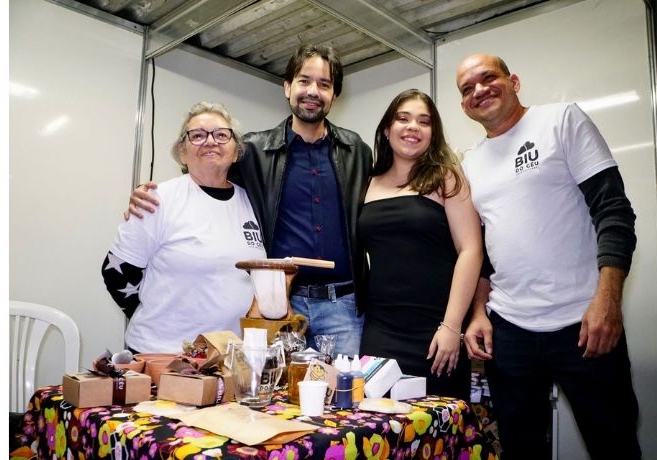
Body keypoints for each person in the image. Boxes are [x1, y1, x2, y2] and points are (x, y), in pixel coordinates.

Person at [126, 44, 372, 357]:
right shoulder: (254, 151)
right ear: (287, 87)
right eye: (304, 81)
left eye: (324, 84)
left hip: (344, 307)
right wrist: (149, 197)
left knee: (343, 400)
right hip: (277, 304)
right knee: (276, 398)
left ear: (334, 94)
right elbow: (207, 175)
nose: (313, 91)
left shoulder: (358, 151)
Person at [456, 53, 641, 459]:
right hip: (511, 332)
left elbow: (613, 211)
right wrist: (478, 313)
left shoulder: (561, 120)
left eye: (488, 78)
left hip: (584, 323)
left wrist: (608, 301)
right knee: (522, 449)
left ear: (514, 81)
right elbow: (483, 251)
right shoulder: (471, 162)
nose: (478, 90)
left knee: (614, 445)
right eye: (467, 88)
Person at [102, 102, 265, 353]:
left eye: (222, 135)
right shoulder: (158, 200)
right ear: (182, 152)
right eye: (198, 135)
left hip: (229, 356)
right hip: (163, 354)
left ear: (236, 152)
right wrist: (157, 317)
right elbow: (116, 273)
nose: (211, 141)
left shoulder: (253, 202)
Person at [358, 89, 482, 401]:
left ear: (433, 133)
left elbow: (471, 250)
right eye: (403, 118)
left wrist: (452, 326)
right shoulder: (367, 183)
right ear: (387, 129)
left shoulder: (446, 177)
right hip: (380, 330)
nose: (413, 126)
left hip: (436, 331)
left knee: (440, 434)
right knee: (379, 431)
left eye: (423, 122)